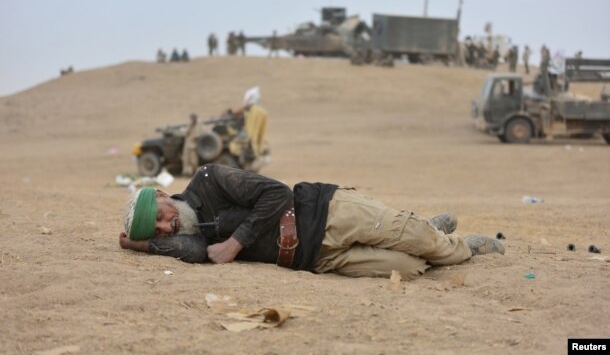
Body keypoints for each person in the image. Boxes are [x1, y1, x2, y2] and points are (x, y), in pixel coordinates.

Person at [119, 165, 505, 280]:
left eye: (159, 217)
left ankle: (460, 244)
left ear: (163, 195)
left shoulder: (210, 180)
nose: (165, 227)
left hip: (326, 211)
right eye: (156, 231)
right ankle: (423, 230)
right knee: (411, 268)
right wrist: (135, 243)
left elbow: (277, 193)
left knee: (432, 248)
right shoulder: (190, 239)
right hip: (316, 259)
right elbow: (188, 248)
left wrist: (236, 243)